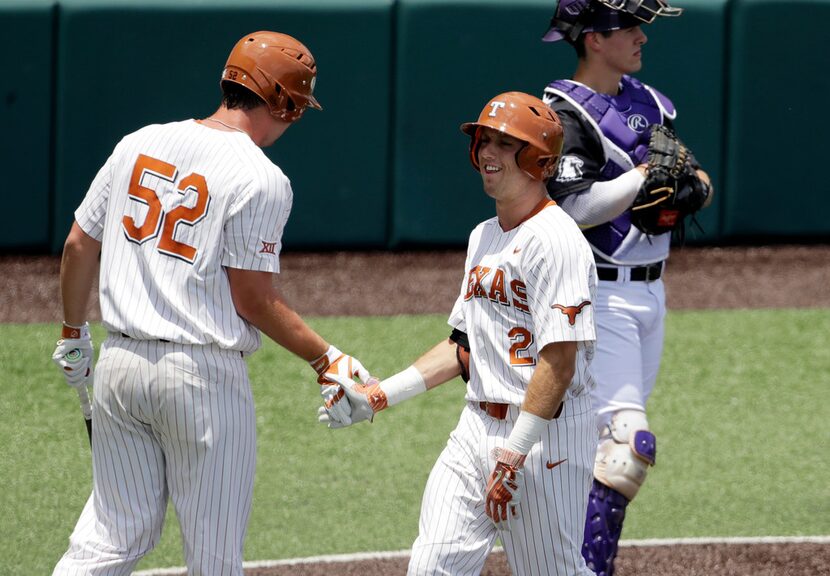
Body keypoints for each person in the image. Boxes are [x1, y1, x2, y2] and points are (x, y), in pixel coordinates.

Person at [50, 31, 368, 575]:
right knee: (214, 558)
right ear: (285, 102)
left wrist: (72, 332)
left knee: (108, 540)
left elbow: (80, 244)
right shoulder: (261, 178)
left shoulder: (140, 140)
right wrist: (326, 357)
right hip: (200, 379)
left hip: (119, 367)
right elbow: (253, 299)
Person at [319, 91, 599, 576]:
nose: (486, 154)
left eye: (504, 144)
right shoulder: (483, 236)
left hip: (544, 439)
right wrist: (377, 396)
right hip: (474, 429)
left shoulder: (558, 242)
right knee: (431, 568)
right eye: (483, 141)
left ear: (538, 159)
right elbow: (462, 346)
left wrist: (514, 453)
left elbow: (559, 361)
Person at [539, 2, 714, 574]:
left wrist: (694, 191)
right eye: (627, 29)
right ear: (593, 39)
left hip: (652, 295)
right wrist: (641, 178)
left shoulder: (650, 102)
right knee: (626, 446)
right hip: (601, 296)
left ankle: (560, 557)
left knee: (598, 452)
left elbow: (693, 174)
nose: (641, 36)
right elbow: (573, 207)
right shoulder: (563, 111)